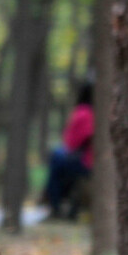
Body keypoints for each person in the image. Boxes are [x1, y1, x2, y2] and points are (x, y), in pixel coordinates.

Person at [41, 82, 95, 221]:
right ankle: (60, 205)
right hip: (89, 161)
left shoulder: (83, 112)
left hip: (85, 161)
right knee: (58, 159)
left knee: (56, 160)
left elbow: (71, 141)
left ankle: (55, 205)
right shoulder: (97, 112)